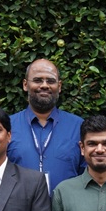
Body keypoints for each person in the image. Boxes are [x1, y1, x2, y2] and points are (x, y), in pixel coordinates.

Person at [8, 58, 85, 193]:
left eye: (51, 81)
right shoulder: (7, 126)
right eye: (37, 80)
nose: (44, 85)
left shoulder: (78, 127)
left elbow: (87, 174)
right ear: (25, 85)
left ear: (59, 86)